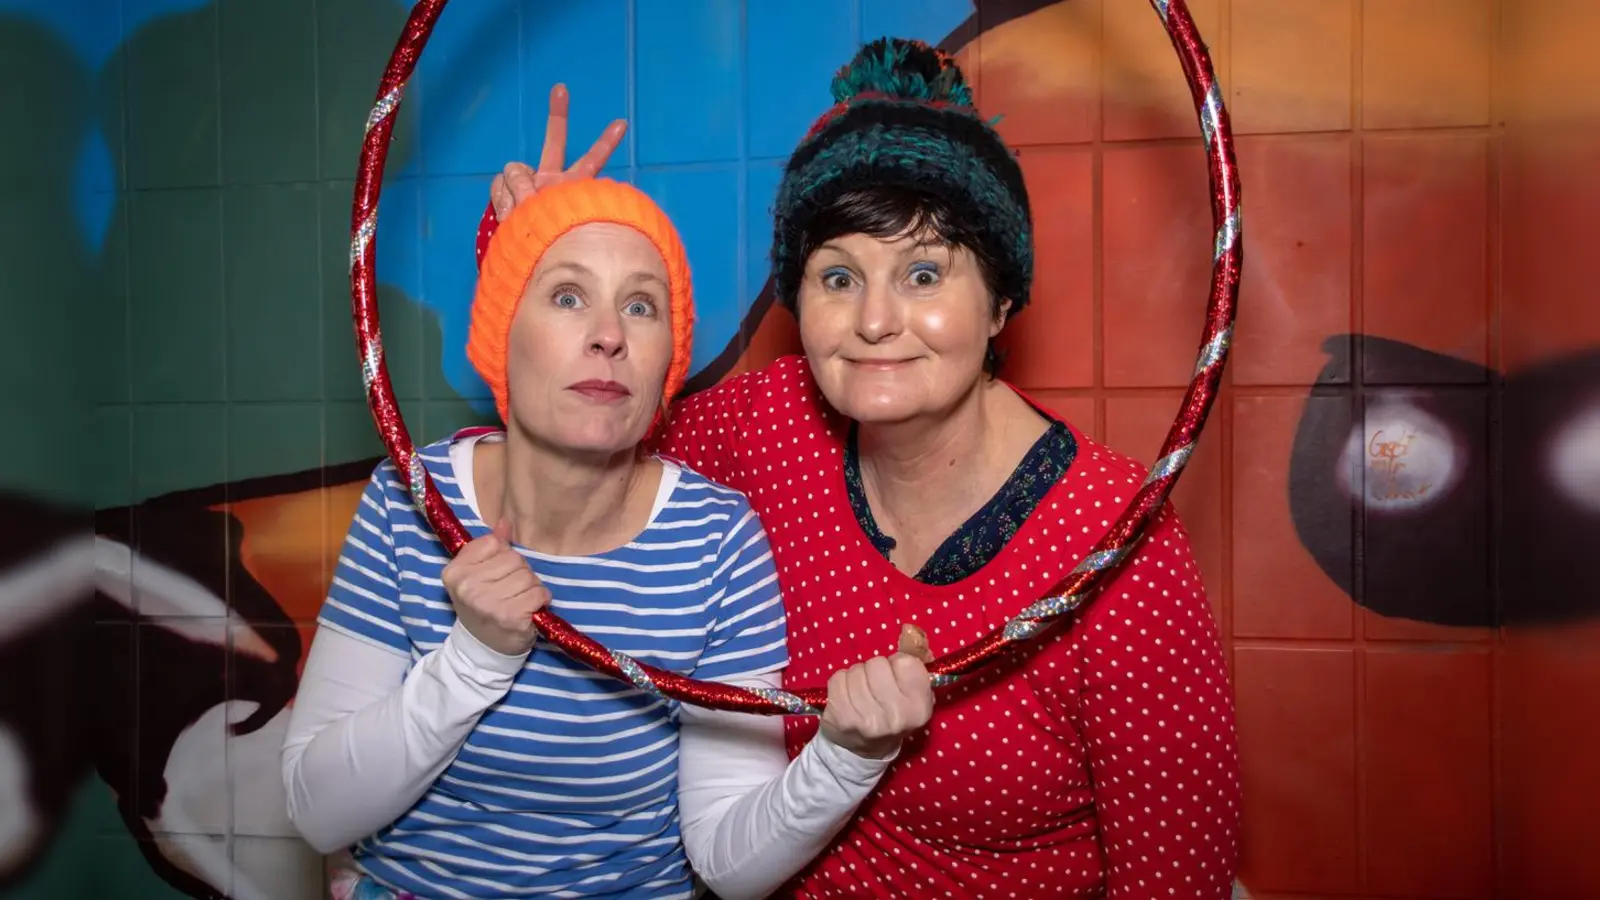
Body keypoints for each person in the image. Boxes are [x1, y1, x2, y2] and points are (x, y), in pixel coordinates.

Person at [487, 40, 1242, 897]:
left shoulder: (1117, 548)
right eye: (838, 276)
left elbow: (1177, 878)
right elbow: (591, 426)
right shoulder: (767, 428)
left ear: (1000, 301)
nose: (875, 319)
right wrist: (538, 255)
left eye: (924, 273)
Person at [282, 176, 937, 900]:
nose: (608, 335)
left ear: (667, 368)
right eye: (567, 297)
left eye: (640, 305)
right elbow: (317, 813)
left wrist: (846, 757)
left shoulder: (717, 543)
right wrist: (470, 664)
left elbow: (728, 860)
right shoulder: (411, 502)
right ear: (501, 335)